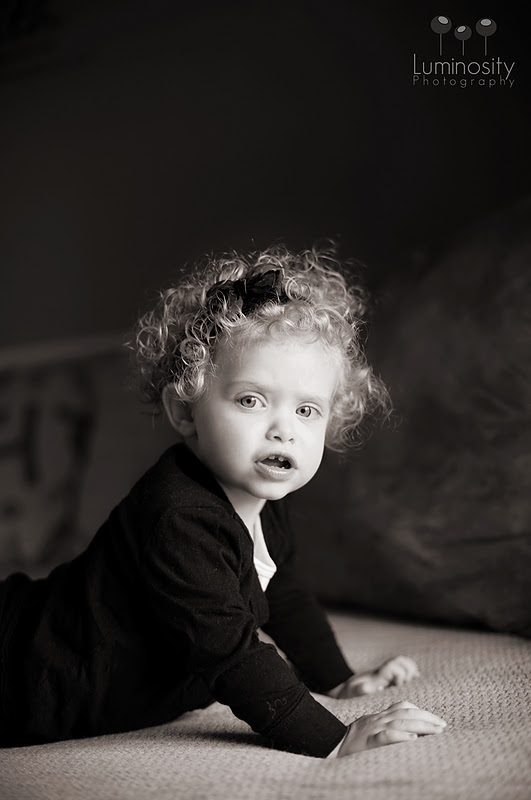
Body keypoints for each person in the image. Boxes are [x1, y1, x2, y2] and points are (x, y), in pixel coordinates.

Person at [0, 243, 447, 757]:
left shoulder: (262, 500)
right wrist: (334, 739)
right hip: (24, 668)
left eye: (306, 410)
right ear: (185, 412)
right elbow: (231, 655)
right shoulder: (178, 517)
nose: (283, 430)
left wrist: (339, 680)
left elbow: (281, 594)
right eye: (251, 400)